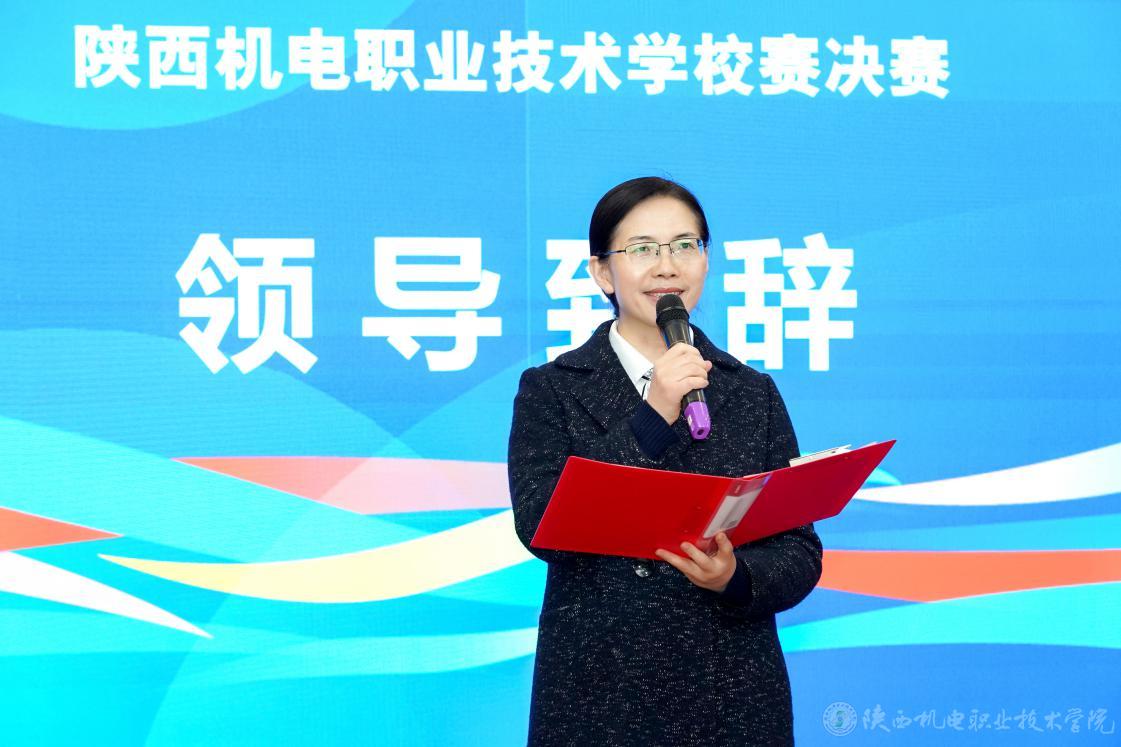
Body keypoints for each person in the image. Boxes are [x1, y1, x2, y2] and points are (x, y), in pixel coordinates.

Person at [507, 176, 823, 746]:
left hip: (730, 693)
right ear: (603, 272)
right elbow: (541, 525)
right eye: (642, 249)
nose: (667, 266)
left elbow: (799, 552)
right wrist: (652, 415)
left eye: (684, 245)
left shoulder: (751, 392)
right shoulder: (552, 389)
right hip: (601, 694)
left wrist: (736, 576)